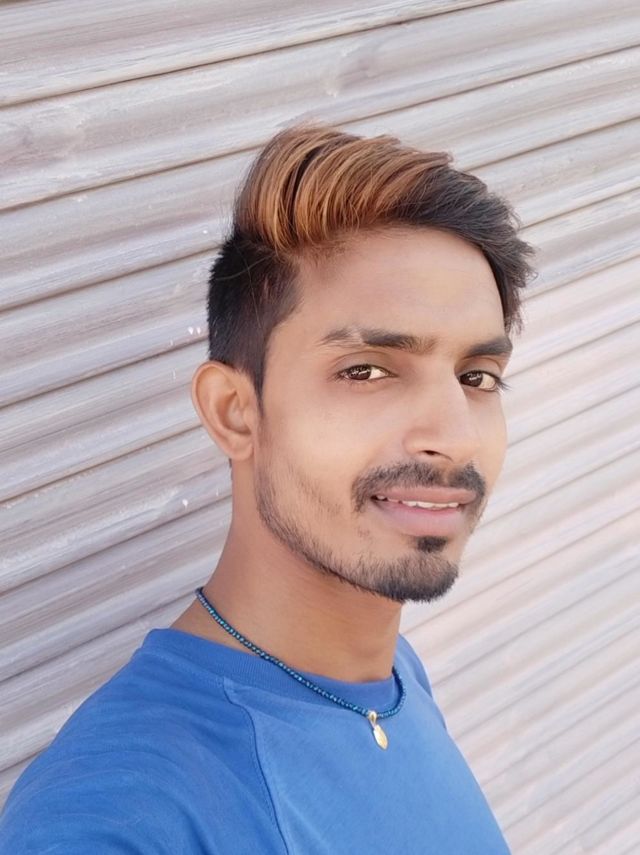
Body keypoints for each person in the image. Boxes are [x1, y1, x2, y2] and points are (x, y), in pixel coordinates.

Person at [0, 123, 535, 853]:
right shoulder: (120, 817)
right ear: (234, 411)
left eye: (477, 377)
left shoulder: (387, 676)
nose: (457, 434)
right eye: (366, 370)